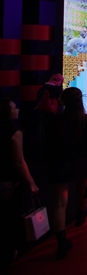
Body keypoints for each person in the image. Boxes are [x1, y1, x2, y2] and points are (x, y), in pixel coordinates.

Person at [44, 88, 87, 259]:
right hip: (81, 163)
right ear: (80, 100)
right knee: (81, 191)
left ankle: (62, 243)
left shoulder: (54, 120)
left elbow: (47, 145)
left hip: (60, 164)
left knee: (59, 204)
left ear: (63, 101)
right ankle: (80, 216)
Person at [0, 99, 39, 267]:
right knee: (10, 218)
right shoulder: (15, 133)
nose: (18, 110)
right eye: (14, 108)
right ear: (7, 113)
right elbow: (19, 162)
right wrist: (31, 182)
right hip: (9, 182)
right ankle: (8, 253)